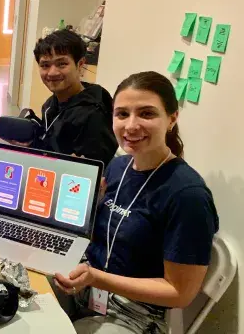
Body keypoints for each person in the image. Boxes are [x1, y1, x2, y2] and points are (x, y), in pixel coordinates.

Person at [52, 71, 219, 333]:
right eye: (122, 114)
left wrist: (98, 278)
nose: (131, 126)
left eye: (147, 113)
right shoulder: (118, 166)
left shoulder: (188, 195)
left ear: (172, 118)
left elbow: (179, 293)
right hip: (85, 287)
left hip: (133, 314)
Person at [14, 29, 117, 165]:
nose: (52, 72)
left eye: (62, 64)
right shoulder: (51, 104)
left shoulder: (93, 114)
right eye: (45, 65)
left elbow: (92, 173)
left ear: (80, 64)